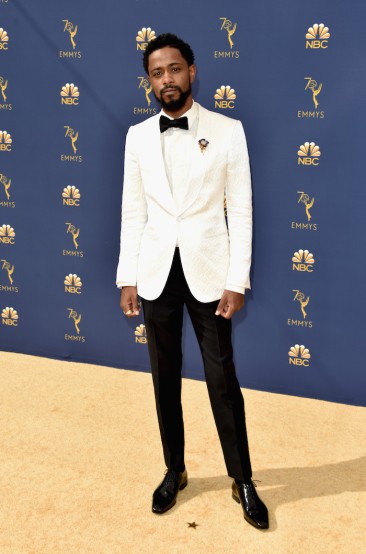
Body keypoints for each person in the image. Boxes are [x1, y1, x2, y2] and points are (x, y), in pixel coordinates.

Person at [116, 33, 269, 530]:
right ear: (149, 81)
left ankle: (242, 478)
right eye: (157, 73)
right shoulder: (137, 136)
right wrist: (128, 277)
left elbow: (241, 210)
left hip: (210, 271)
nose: (167, 80)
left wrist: (236, 279)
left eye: (174, 69)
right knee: (164, 379)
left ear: (193, 71)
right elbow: (133, 211)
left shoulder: (229, 130)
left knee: (223, 381)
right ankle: (174, 470)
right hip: (156, 271)